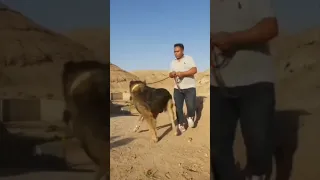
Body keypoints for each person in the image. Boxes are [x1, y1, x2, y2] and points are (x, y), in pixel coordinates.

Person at [210, 0, 279, 179]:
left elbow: (270, 27)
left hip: (256, 83)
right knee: (216, 149)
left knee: (259, 144)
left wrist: (232, 40)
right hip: (217, 86)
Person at [169, 43, 197, 134]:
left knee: (191, 106)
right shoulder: (172, 62)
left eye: (177, 51)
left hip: (189, 87)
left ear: (182, 51)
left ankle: (190, 116)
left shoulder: (189, 58)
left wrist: (183, 74)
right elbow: (169, 74)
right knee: (178, 108)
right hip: (177, 88)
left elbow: (194, 70)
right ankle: (181, 123)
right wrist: (172, 74)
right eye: (174, 51)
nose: (175, 53)